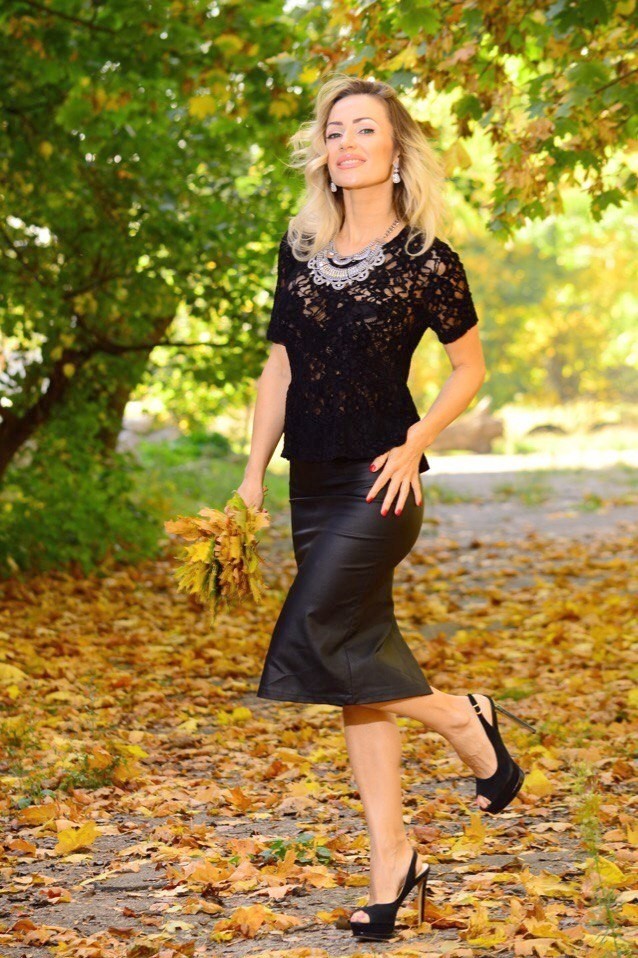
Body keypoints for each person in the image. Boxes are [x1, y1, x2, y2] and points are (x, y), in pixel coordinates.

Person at [237, 74, 536, 943]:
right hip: (310, 480)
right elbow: (279, 369)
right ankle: (392, 863)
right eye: (335, 131)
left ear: (397, 150)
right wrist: (252, 475)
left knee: (316, 637)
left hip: (382, 479)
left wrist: (416, 441)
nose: (346, 143)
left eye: (364, 129)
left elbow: (470, 370)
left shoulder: (428, 258)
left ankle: (461, 719)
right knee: (355, 670)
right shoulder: (299, 248)